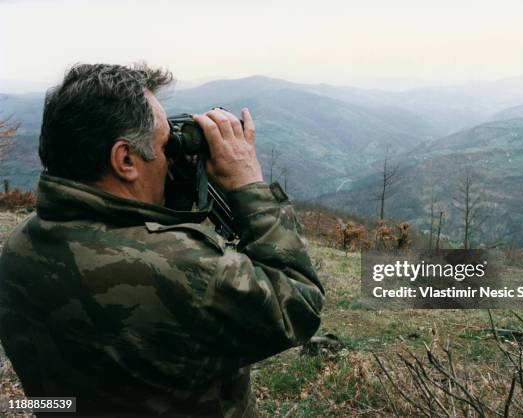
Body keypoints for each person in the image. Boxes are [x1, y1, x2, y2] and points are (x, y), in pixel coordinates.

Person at [0, 63, 325, 417]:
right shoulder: (180, 268)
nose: (170, 155)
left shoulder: (17, 248)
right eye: (164, 143)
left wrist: (168, 197)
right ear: (125, 159)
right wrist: (248, 183)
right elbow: (299, 303)